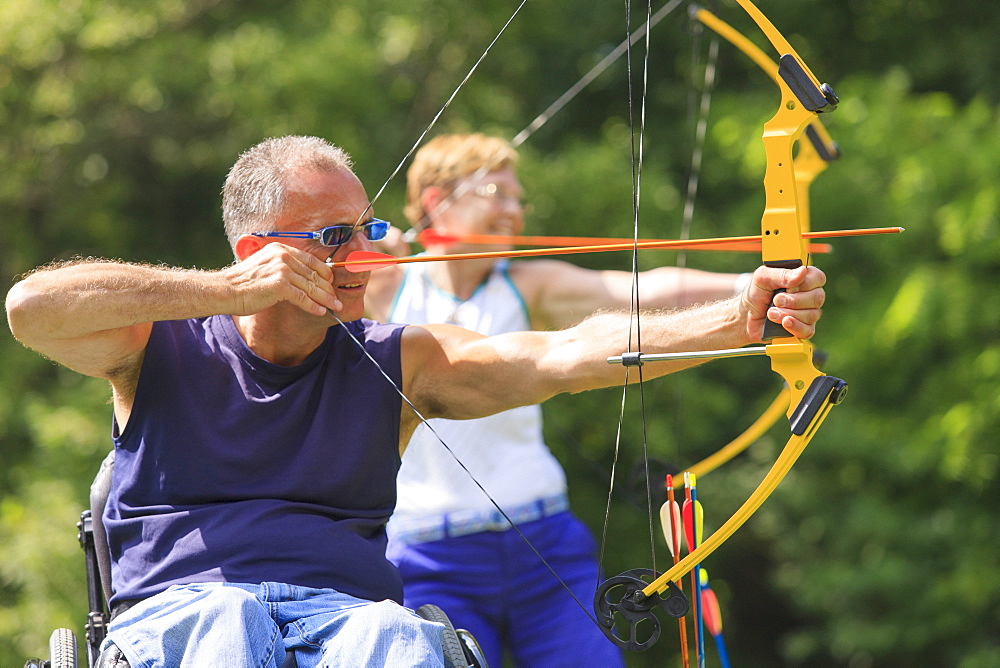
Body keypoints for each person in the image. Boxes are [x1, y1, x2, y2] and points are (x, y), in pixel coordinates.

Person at [5, 135, 826, 668]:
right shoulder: (156, 347)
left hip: (346, 623)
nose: (371, 256)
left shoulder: (402, 361)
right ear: (257, 253)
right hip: (186, 619)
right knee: (227, 631)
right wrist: (220, 290)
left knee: (397, 643)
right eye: (337, 240)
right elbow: (29, 310)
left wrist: (740, 316)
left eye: (369, 228)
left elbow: (565, 355)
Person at [364, 133, 757, 667]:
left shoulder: (528, 285)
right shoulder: (385, 289)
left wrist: (751, 284)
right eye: (496, 193)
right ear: (438, 202)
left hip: (543, 543)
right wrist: (359, 255)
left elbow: (644, 287)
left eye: (517, 199)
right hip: (427, 557)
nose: (513, 210)